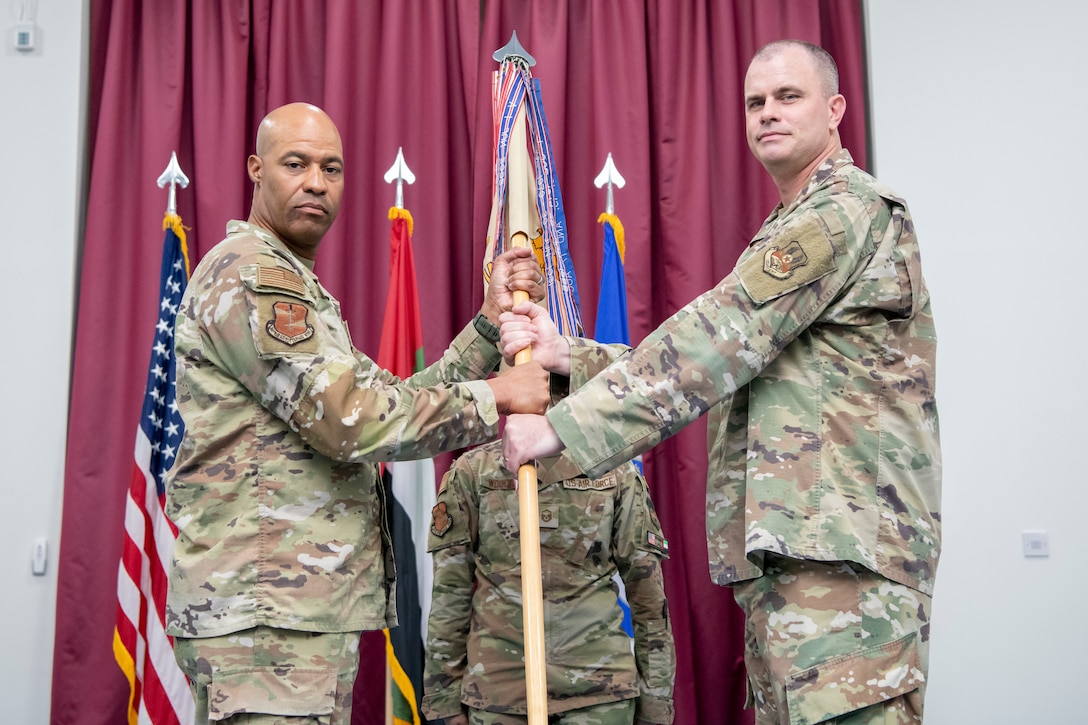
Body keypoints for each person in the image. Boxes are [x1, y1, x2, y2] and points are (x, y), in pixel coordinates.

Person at [501, 40, 940, 725]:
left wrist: (562, 426)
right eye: (754, 102)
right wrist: (571, 359)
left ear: (835, 110)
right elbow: (742, 358)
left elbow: (720, 335)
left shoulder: (843, 211)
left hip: (845, 577)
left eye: (787, 97)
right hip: (801, 568)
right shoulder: (792, 224)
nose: (768, 113)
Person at [166, 102, 550, 724]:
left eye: (332, 168)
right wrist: (501, 397)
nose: (316, 181)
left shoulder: (293, 282)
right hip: (266, 618)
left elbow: (388, 398)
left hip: (291, 611)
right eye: (296, 164)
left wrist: (487, 326)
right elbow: (349, 417)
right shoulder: (253, 274)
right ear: (256, 170)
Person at [422, 439, 675, 725]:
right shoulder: (474, 470)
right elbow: (450, 593)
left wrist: (656, 699)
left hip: (598, 696)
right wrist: (443, 698)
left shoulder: (614, 468)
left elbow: (648, 597)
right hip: (498, 694)